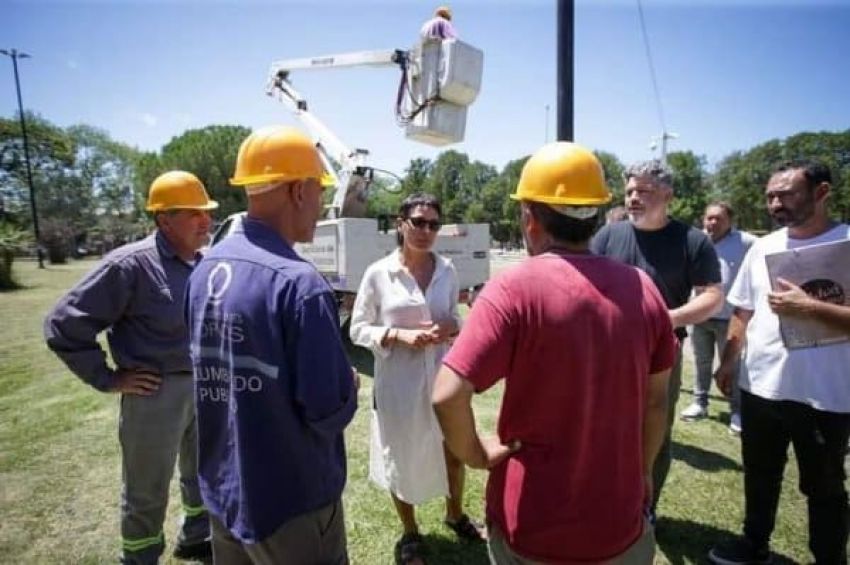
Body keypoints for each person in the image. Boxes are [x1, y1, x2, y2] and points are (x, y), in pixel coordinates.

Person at [432, 142, 677, 563]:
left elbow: (447, 395)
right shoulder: (644, 288)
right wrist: (642, 472)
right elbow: (657, 403)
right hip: (620, 522)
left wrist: (476, 454)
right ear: (597, 216)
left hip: (532, 524)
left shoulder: (512, 288)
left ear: (529, 219)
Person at [185, 125, 357, 564]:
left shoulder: (205, 270)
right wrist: (349, 385)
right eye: (319, 192)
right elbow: (326, 409)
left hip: (224, 494)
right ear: (299, 191)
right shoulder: (300, 285)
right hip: (290, 504)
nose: (320, 206)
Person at [44, 171, 218, 564]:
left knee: (202, 473)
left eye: (205, 212)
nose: (204, 221)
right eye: (193, 213)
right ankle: (140, 557)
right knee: (146, 487)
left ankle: (196, 536)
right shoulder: (131, 265)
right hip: (154, 393)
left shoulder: (205, 263)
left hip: (204, 388)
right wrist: (107, 378)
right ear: (163, 219)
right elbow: (63, 325)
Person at [708, 160, 850, 565]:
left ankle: (828, 558)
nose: (775, 203)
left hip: (826, 395)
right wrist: (729, 361)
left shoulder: (847, 244)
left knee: (824, 486)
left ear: (821, 192)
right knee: (760, 474)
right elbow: (743, 311)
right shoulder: (763, 247)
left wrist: (810, 307)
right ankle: (754, 544)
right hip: (761, 387)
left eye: (786, 194)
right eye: (770, 195)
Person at [350, 193, 482, 565]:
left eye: (433, 224)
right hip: (399, 385)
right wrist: (396, 336)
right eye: (418, 222)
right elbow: (358, 329)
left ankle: (455, 514)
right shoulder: (379, 273)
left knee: (454, 454)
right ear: (400, 223)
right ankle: (410, 532)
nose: (425, 230)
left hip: (443, 381)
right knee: (402, 457)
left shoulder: (447, 270)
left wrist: (449, 325)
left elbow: (455, 322)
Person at [591, 159, 722, 515]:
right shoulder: (607, 236)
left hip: (662, 352)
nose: (634, 198)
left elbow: (712, 296)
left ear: (668, 195)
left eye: (644, 191)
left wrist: (664, 319)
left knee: (655, 432)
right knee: (603, 425)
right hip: (609, 351)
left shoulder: (692, 241)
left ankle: (645, 505)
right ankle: (603, 501)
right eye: (630, 191)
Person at [680, 202, 757, 433]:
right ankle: (700, 402)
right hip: (700, 315)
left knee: (731, 365)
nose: (712, 223)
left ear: (730, 221)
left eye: (718, 219)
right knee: (701, 361)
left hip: (730, 318)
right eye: (709, 218)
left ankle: (737, 411)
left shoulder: (747, 242)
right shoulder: (696, 240)